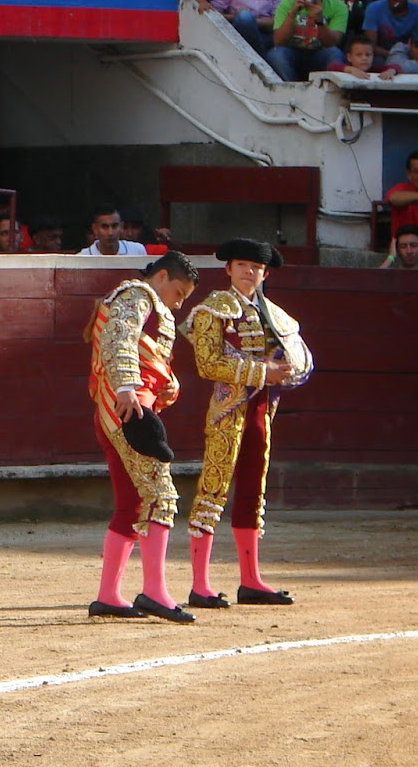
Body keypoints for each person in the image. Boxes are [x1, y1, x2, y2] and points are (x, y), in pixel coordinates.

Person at [183, 237, 311, 607]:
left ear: (265, 273)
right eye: (241, 266)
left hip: (261, 409)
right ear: (228, 269)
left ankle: (251, 580)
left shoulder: (274, 313)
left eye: (255, 268)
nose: (248, 272)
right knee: (214, 487)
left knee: (254, 489)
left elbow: (299, 358)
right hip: (228, 408)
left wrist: (285, 372)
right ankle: (200, 584)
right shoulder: (214, 309)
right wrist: (262, 371)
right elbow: (207, 364)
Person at [86, 252, 201, 622]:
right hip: (129, 413)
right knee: (160, 497)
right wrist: (126, 389)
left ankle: (108, 595)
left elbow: (146, 357)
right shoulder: (137, 295)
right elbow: (118, 342)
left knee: (132, 503)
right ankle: (154, 592)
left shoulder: (146, 303)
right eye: (179, 292)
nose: (179, 302)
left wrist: (168, 384)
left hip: (126, 408)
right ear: (162, 276)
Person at [266, 0, 348, 80]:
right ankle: (291, 91)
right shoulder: (287, 3)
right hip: (293, 52)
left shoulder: (339, 7)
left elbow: (333, 43)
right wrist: (292, 14)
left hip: (320, 53)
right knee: (276, 55)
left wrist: (320, 21)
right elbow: (278, 41)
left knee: (335, 54)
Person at [78, 207, 151, 256]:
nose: (110, 233)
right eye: (104, 227)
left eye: (114, 226)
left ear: (121, 226)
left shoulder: (137, 250)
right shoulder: (82, 257)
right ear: (95, 229)